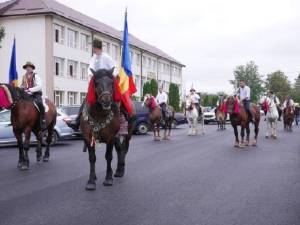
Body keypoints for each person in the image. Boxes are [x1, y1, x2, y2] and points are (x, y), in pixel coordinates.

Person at [69, 39, 119, 130]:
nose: (93, 49)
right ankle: (77, 121)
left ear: (96, 47)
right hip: (97, 83)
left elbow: (115, 69)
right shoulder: (93, 58)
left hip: (107, 82)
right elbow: (90, 69)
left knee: (115, 99)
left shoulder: (106, 57)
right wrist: (90, 77)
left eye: (93, 47)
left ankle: (121, 118)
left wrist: (109, 75)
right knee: (86, 100)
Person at [20, 61, 45, 128]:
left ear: (32, 68)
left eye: (29, 67)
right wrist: (21, 88)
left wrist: (31, 89)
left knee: (39, 103)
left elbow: (39, 86)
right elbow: (22, 85)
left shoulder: (36, 76)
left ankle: (43, 118)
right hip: (27, 94)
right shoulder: (24, 77)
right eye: (27, 67)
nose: (28, 68)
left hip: (36, 93)